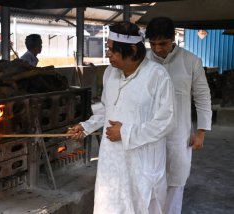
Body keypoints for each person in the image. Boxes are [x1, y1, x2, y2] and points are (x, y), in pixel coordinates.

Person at [67, 21, 175, 213]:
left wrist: (126, 132)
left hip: (142, 161)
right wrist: (86, 126)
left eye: (111, 50)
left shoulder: (157, 76)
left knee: (140, 205)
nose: (107, 54)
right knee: (111, 204)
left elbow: (166, 122)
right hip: (112, 159)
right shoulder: (110, 73)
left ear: (132, 50)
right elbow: (107, 109)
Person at [145, 17, 212, 214]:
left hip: (178, 135)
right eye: (153, 44)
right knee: (148, 182)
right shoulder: (143, 61)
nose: (157, 49)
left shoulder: (191, 61)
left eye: (162, 43)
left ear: (173, 38)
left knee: (175, 182)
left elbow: (202, 97)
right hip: (147, 135)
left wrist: (201, 132)